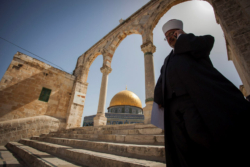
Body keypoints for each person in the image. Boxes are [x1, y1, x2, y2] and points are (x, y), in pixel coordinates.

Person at [154, 19, 250, 167]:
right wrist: (158, 98)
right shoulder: (167, 60)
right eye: (166, 36)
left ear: (179, 32)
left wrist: (184, 37)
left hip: (192, 100)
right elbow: (161, 80)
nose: (169, 38)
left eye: (172, 34)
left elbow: (206, 43)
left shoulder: (192, 44)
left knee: (197, 133)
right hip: (173, 107)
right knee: (181, 143)